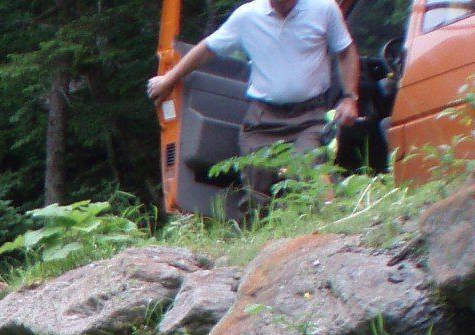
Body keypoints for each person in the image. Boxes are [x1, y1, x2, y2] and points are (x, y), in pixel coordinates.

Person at [147, 0, 359, 211]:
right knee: (257, 185)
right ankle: (269, 233)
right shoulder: (247, 16)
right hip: (263, 118)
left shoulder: (323, 8)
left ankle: (329, 220)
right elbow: (207, 49)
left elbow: (346, 51)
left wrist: (350, 98)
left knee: (309, 168)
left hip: (309, 115)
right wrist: (169, 79)